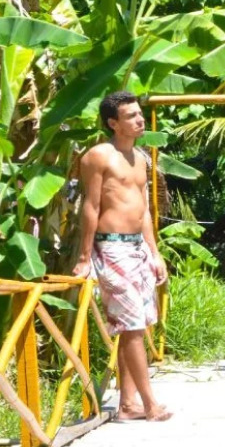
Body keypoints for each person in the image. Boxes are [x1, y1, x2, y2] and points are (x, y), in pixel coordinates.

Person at [71, 91, 172, 422]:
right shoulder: (98, 156)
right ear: (113, 123)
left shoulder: (141, 157)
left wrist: (154, 254)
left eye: (140, 114)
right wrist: (86, 258)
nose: (140, 119)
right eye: (131, 116)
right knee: (131, 327)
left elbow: (143, 211)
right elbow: (91, 206)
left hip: (137, 248)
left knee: (139, 325)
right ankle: (151, 404)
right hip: (111, 246)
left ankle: (128, 405)